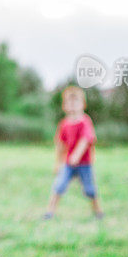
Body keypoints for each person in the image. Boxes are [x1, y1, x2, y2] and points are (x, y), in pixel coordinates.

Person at [44, 85, 103, 220]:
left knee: (90, 190)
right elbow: (60, 145)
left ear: (83, 104)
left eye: (76, 101)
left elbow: (86, 139)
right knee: (58, 186)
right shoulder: (64, 124)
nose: (72, 105)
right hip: (68, 164)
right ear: (64, 106)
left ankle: (98, 212)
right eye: (69, 102)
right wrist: (58, 163)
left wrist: (76, 155)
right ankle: (49, 212)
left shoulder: (85, 121)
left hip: (85, 164)